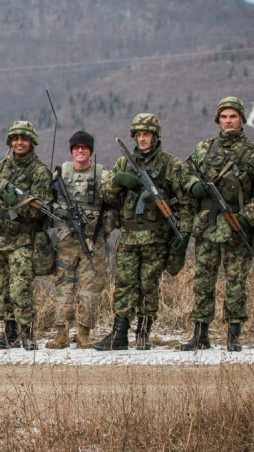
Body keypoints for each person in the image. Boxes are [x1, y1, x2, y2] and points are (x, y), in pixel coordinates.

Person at [179, 97, 254, 352]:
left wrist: (247, 216)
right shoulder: (204, 148)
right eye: (224, 117)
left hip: (236, 227)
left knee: (236, 282)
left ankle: (234, 335)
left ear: (241, 118)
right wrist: (193, 186)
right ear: (218, 120)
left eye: (233, 116)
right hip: (208, 226)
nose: (228, 121)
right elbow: (184, 174)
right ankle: (200, 334)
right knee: (203, 281)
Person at [94, 113, 192, 351]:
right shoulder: (124, 163)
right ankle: (119, 334)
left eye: (146, 134)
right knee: (125, 284)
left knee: (149, 286)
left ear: (155, 136)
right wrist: (118, 182)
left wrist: (182, 237)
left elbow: (186, 201)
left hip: (156, 237)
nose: (142, 139)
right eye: (138, 134)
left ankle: (143, 334)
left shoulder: (169, 164)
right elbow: (105, 194)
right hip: (128, 236)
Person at [0, 120, 55, 351]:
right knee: (2, 288)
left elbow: (40, 207)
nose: (19, 143)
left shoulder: (39, 171)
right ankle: (10, 332)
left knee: (20, 287)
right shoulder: (3, 166)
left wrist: (16, 204)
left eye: (23, 139)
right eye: (15, 139)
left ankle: (28, 332)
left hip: (23, 240)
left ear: (31, 141)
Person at [44, 130, 113, 349]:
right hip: (66, 239)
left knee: (90, 288)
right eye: (76, 148)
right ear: (72, 150)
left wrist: (100, 230)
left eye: (84, 147)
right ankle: (62, 333)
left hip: (92, 241)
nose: (80, 151)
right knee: (64, 286)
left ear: (90, 150)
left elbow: (112, 207)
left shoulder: (102, 175)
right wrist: (60, 215)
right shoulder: (60, 174)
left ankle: (84, 334)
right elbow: (47, 200)